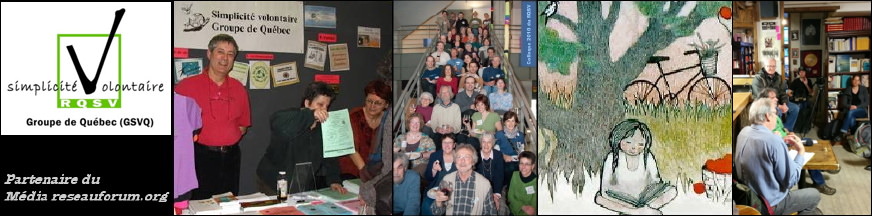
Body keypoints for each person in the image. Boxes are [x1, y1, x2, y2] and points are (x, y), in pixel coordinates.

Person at [175, 34, 251, 199]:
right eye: (220, 52)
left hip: (231, 158)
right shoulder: (186, 87)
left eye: (231, 54)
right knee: (198, 205)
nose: (225, 58)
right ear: (209, 54)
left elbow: (243, 127)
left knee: (228, 204)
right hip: (199, 158)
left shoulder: (239, 88)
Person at [256, 82, 347, 196]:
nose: (324, 110)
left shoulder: (323, 127)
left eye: (327, 106)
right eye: (320, 105)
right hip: (272, 182)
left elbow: (329, 157)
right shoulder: (292, 118)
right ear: (307, 103)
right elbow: (276, 121)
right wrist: (311, 115)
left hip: (301, 185)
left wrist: (334, 180)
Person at [735, 98, 822, 215]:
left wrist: (779, 141)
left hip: (749, 197)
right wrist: (801, 151)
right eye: (775, 113)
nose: (777, 117)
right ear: (767, 116)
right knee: (814, 195)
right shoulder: (773, 141)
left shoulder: (743, 132)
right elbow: (791, 181)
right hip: (769, 204)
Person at [760, 88, 836, 195]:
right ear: (765, 100)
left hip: (786, 139)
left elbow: (782, 129)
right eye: (773, 98)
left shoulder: (774, 112)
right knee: (806, 149)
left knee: (810, 142)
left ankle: (821, 167)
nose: (777, 99)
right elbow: (770, 139)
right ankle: (819, 182)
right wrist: (785, 139)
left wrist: (788, 132)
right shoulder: (765, 116)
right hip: (782, 145)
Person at [594, 119, 677, 215]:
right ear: (618, 139)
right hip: (621, 197)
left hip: (645, 197)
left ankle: (643, 209)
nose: (634, 148)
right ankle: (635, 212)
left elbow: (656, 181)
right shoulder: (612, 158)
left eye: (640, 144)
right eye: (628, 142)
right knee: (599, 198)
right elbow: (605, 188)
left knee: (672, 191)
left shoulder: (647, 157)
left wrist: (648, 193)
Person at [340, 80, 391, 179]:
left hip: (376, 170)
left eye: (378, 103)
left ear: (386, 105)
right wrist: (365, 173)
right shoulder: (354, 116)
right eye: (369, 101)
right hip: (352, 170)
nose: (372, 106)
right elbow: (351, 148)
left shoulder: (387, 120)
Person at [431, 144, 497, 215]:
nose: (462, 161)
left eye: (467, 157)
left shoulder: (484, 184)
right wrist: (438, 202)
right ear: (455, 161)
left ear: (473, 161)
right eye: (459, 157)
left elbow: (490, 212)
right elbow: (437, 212)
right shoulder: (447, 180)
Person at [752, 58, 800, 132]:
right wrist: (778, 106)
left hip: (778, 101)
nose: (771, 68)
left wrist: (784, 104)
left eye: (773, 66)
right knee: (777, 111)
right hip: (765, 104)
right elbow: (761, 96)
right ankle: (777, 133)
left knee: (795, 108)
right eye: (769, 66)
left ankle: (786, 130)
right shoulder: (758, 78)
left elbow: (783, 92)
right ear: (765, 66)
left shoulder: (778, 77)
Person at [173, 93, 201, 213]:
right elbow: (195, 136)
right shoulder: (186, 104)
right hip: (180, 181)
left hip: (180, 183)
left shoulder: (187, 104)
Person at [421, 136, 458, 216]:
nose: (447, 145)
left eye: (450, 142)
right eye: (444, 142)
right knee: (427, 207)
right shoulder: (435, 156)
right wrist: (434, 170)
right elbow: (428, 177)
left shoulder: (459, 156)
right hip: (436, 191)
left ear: (454, 145)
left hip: (455, 190)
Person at [475, 133, 507, 214]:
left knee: (500, 208)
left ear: (493, 143)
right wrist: (488, 194)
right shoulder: (475, 155)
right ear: (480, 143)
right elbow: (476, 178)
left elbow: (499, 176)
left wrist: (495, 194)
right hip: (480, 189)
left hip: (498, 188)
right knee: (479, 208)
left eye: (489, 142)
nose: (486, 145)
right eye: (483, 142)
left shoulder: (498, 155)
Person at [496, 111, 525, 184]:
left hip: (516, 159)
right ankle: (510, 187)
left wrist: (520, 157)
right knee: (511, 167)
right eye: (508, 121)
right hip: (503, 159)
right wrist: (504, 156)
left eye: (513, 121)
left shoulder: (520, 135)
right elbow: (495, 151)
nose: (510, 123)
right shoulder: (499, 135)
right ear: (504, 122)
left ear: (516, 122)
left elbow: (521, 150)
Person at [507, 151, 537, 216]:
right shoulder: (514, 175)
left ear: (532, 166)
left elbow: (532, 210)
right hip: (513, 212)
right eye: (521, 163)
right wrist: (523, 207)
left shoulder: (536, 183)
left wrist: (524, 209)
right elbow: (510, 196)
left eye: (527, 164)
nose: (523, 167)